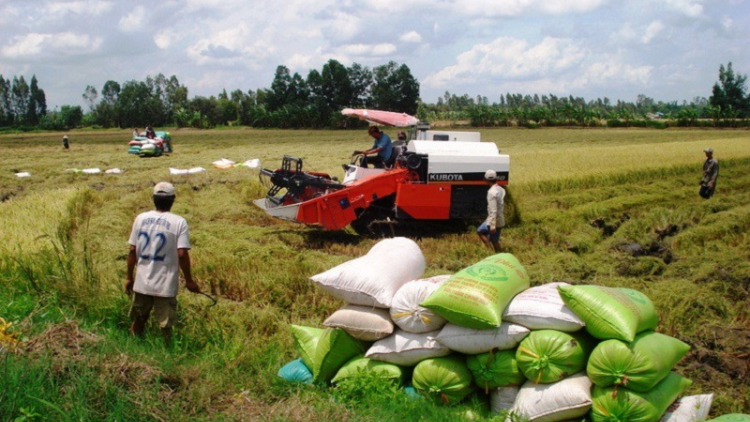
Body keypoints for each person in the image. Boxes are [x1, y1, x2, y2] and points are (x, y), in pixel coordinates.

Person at [126, 182, 200, 343]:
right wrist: (189, 280)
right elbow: (182, 254)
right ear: (173, 199)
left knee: (139, 319)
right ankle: (167, 352)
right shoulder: (179, 222)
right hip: (165, 284)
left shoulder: (140, 219)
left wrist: (129, 277)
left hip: (142, 282)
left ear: (153, 199)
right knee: (165, 325)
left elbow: (132, 250)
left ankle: (135, 346)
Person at [477, 170, 505, 253]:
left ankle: (494, 253)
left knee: (493, 240)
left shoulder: (491, 192)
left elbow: (493, 209)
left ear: (486, 180)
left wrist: (492, 225)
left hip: (494, 221)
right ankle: (493, 252)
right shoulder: (501, 189)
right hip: (499, 218)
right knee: (484, 233)